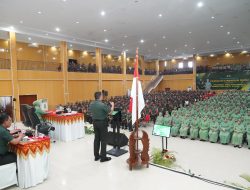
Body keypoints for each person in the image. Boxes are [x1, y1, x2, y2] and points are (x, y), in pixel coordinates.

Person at [89, 92, 114, 162]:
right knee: (103, 140)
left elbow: (91, 111)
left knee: (96, 139)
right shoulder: (102, 105)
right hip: (102, 123)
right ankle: (103, 157)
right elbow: (110, 112)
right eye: (102, 96)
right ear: (100, 97)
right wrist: (112, 105)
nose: (102, 97)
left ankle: (96, 156)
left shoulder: (92, 104)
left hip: (95, 122)